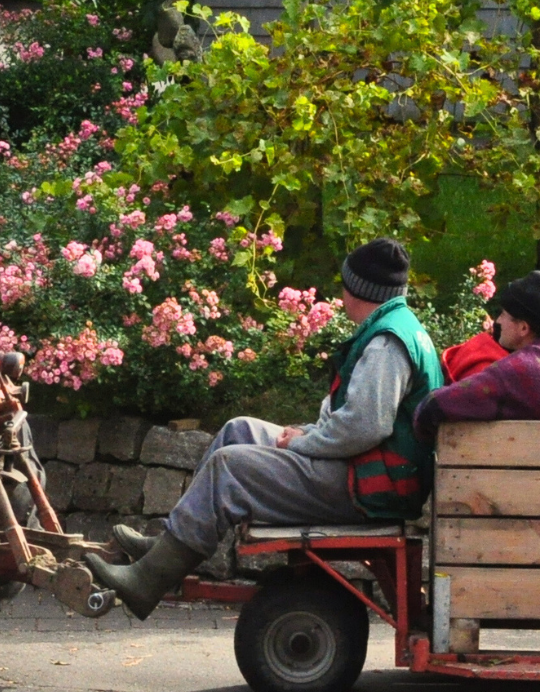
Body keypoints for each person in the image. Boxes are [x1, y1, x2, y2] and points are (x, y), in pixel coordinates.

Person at [88, 240, 447, 618]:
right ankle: (166, 547)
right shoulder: (395, 328)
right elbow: (361, 420)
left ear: (357, 291)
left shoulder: (387, 343)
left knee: (229, 466)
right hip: (367, 473)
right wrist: (307, 433)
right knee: (239, 430)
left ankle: (147, 582)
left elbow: (364, 427)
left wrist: (303, 443)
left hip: (371, 489)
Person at [414, 270, 540, 440]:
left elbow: (432, 408)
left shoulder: (521, 369)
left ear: (523, 328)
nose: (498, 321)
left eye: (504, 314)